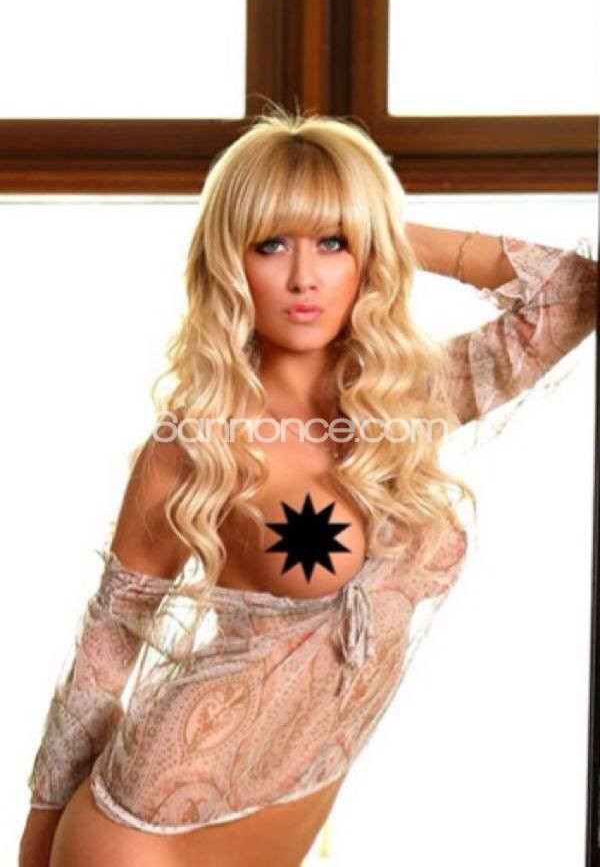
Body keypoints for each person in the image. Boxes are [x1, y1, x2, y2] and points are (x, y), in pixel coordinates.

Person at [19, 104, 598, 867]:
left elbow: (572, 294)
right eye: (271, 243)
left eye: (332, 242)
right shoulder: (195, 446)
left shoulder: (404, 403)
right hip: (142, 835)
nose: (303, 276)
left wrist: (383, 229)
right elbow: (105, 649)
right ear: (231, 260)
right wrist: (34, 844)